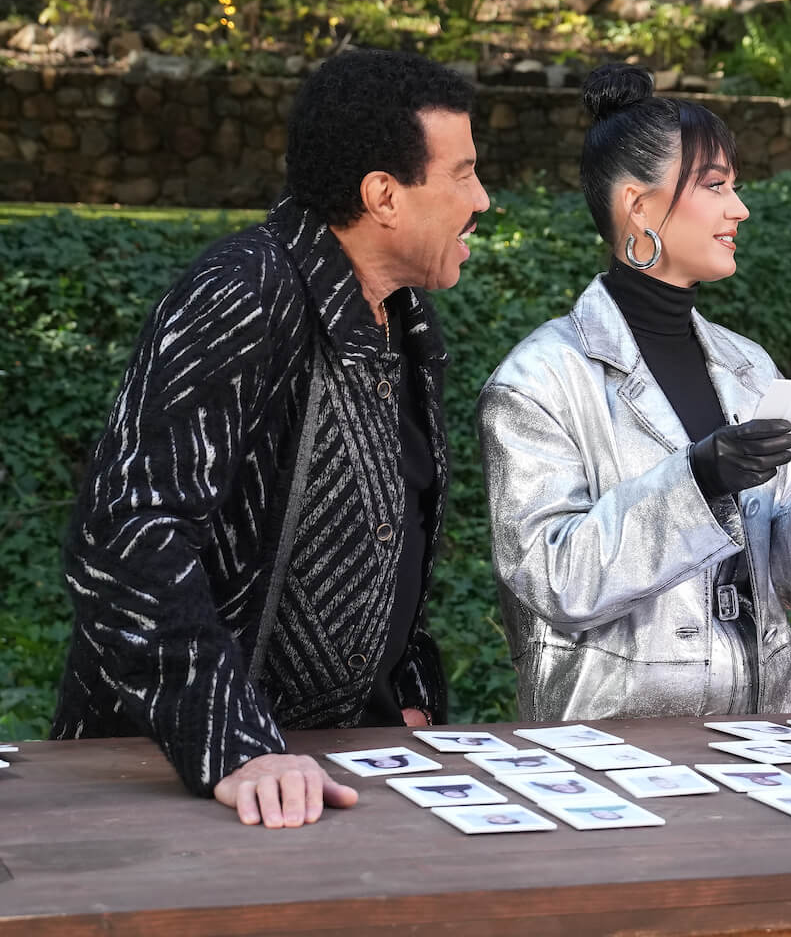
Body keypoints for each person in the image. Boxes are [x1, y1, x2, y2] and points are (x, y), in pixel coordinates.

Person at [49, 49, 490, 828]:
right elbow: (125, 536)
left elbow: (394, 539)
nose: (482, 199)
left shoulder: (406, 318)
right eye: (462, 175)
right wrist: (234, 746)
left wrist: (407, 698)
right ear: (383, 196)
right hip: (191, 790)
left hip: (342, 772)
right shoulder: (245, 290)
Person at [478, 63, 791, 720]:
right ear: (638, 206)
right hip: (609, 747)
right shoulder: (538, 381)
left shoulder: (748, 366)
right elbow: (553, 582)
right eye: (715, 185)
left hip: (764, 737)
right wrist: (697, 479)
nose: (739, 208)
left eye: (734, 185)